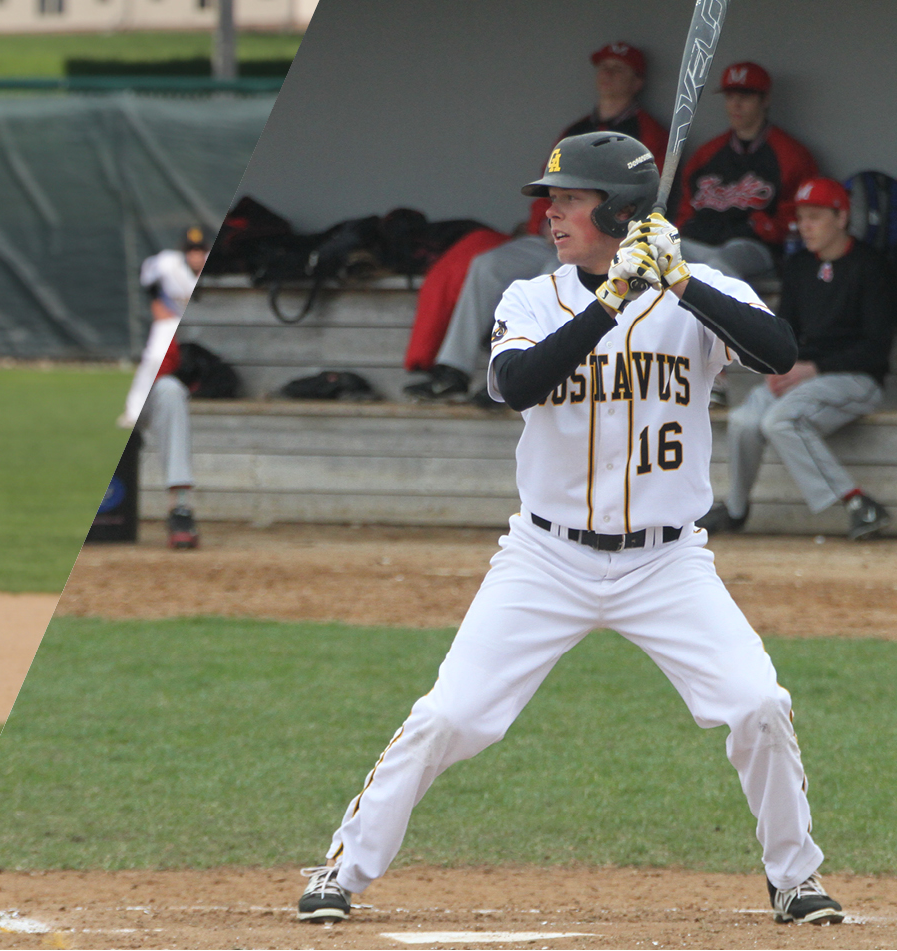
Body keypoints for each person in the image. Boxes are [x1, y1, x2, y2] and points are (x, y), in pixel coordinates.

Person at [300, 132, 844, 928]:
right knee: (450, 714)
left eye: (569, 199)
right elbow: (519, 384)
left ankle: (795, 879)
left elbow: (779, 352)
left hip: (667, 564)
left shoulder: (698, 289)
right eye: (551, 198)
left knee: (759, 701)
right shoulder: (530, 297)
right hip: (545, 556)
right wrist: (612, 300)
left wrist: (680, 281)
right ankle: (342, 869)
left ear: (621, 211)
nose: (550, 212)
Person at [405, 42, 669, 402]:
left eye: (618, 69)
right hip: (556, 234)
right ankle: (453, 369)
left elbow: (648, 196)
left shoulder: (649, 132)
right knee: (486, 265)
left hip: (609, 239)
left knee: (553, 271)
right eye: (603, 67)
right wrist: (543, 224)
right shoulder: (575, 130)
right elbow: (549, 188)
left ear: (638, 82)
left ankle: (533, 372)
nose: (606, 75)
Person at [700, 177, 895, 540]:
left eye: (815, 217)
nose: (804, 226)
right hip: (802, 377)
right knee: (744, 420)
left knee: (779, 421)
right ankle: (737, 510)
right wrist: (784, 366)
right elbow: (784, 330)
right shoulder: (800, 266)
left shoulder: (870, 266)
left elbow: (877, 348)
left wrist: (812, 369)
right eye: (801, 218)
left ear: (841, 218)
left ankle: (857, 502)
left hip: (855, 378)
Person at [675, 61, 820, 279]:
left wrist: (759, 227)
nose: (736, 105)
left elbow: (797, 221)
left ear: (765, 100)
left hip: (754, 248)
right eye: (730, 97)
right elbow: (686, 213)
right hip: (701, 244)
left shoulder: (791, 156)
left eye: (745, 96)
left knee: (717, 265)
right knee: (652, 254)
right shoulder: (706, 154)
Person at [118, 226, 207, 549]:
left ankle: (180, 506)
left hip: (145, 398)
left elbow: (164, 365)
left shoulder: (173, 315)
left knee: (170, 390)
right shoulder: (156, 285)